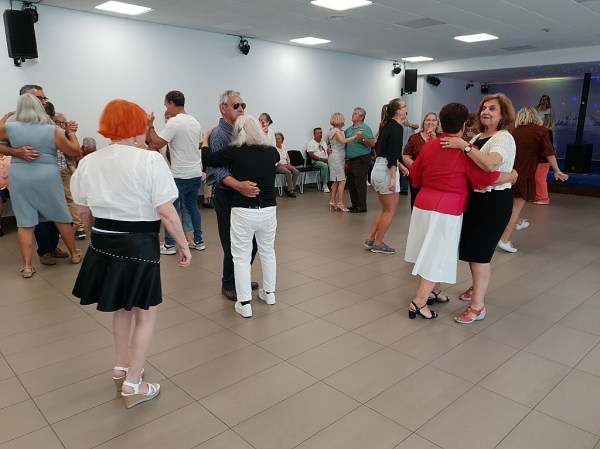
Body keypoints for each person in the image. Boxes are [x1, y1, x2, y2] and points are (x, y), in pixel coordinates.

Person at [71, 99, 191, 408]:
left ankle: (121, 367)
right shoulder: (150, 161)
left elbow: (83, 211)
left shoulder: (89, 162)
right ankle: (133, 384)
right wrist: (183, 244)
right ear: (137, 128)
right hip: (138, 243)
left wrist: (95, 235)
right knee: (145, 314)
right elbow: (166, 211)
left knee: (122, 308)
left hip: (102, 241)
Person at [405, 103, 502, 319]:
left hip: (423, 204)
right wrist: (511, 176)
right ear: (464, 125)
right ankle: (419, 302)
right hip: (447, 209)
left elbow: (416, 175)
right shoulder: (465, 150)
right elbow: (484, 179)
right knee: (437, 254)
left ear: (440, 122)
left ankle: (434, 290)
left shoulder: (429, 146)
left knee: (428, 250)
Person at [441, 93, 517, 324]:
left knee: (481, 254)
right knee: (473, 250)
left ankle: (478, 307)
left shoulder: (503, 138)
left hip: (493, 202)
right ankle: (476, 287)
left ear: (503, 115)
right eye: (484, 108)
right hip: (476, 200)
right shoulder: (479, 137)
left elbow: (491, 164)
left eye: (492, 109)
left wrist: (464, 146)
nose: (486, 112)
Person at [202, 116, 279, 318]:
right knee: (268, 252)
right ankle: (269, 294)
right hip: (268, 210)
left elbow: (208, 160)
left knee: (241, 257)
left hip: (244, 211)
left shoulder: (235, 151)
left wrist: (205, 140)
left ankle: (244, 303)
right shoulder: (272, 151)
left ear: (239, 133)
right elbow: (274, 156)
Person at [0, 93, 81, 278]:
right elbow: (74, 151)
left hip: (20, 174)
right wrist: (71, 132)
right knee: (60, 215)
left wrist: (14, 151)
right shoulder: (50, 129)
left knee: (25, 222)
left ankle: (27, 267)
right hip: (47, 175)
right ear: (39, 107)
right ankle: (74, 254)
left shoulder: (9, 128)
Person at [206, 90, 260, 302]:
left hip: (243, 195)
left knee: (250, 241)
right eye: (235, 105)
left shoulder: (242, 131)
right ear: (223, 108)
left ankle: (241, 277)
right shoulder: (219, 135)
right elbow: (217, 170)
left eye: (242, 105)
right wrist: (238, 185)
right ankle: (229, 284)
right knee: (232, 243)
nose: (241, 109)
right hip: (228, 194)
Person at [498, 107, 568, 252]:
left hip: (507, 173)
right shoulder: (540, 131)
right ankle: (504, 240)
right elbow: (549, 152)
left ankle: (517, 223)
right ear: (535, 116)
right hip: (524, 174)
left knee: (509, 204)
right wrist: (557, 170)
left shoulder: (512, 131)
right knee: (515, 208)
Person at [146, 90, 204, 254]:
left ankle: (169, 245)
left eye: (166, 105)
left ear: (171, 103)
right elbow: (200, 144)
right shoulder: (194, 122)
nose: (167, 109)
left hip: (179, 175)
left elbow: (156, 143)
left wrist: (150, 125)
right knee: (193, 208)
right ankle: (198, 241)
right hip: (195, 174)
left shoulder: (174, 122)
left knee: (171, 209)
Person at [365, 98, 409, 254]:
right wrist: (393, 178)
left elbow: (385, 151)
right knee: (390, 210)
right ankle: (378, 243)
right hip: (386, 171)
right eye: (405, 106)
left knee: (385, 209)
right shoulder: (397, 128)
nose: (407, 108)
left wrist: (400, 166)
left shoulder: (386, 126)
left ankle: (371, 238)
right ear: (398, 111)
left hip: (378, 168)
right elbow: (392, 155)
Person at [53, 112, 86, 239]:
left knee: (64, 199)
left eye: (63, 122)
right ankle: (77, 227)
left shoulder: (57, 132)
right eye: (58, 122)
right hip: (60, 169)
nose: (61, 124)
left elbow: (75, 151)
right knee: (68, 199)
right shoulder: (63, 133)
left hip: (58, 169)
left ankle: (75, 227)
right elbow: (74, 151)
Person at [402, 112, 441, 209]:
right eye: (428, 120)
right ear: (423, 123)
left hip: (436, 179)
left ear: (437, 124)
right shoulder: (414, 138)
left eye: (433, 120)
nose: (430, 122)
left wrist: (435, 140)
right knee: (416, 204)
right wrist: (417, 167)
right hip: (417, 178)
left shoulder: (442, 138)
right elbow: (406, 156)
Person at [328, 113, 361, 212]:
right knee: (342, 180)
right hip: (337, 158)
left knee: (336, 180)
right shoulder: (336, 131)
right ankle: (340, 203)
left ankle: (332, 201)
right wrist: (355, 137)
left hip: (337, 157)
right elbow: (343, 141)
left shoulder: (335, 130)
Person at [345, 107, 375, 213]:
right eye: (353, 113)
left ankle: (361, 206)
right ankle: (355, 204)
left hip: (362, 158)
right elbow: (344, 141)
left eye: (355, 114)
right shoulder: (349, 129)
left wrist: (362, 138)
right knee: (351, 183)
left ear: (361, 117)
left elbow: (372, 144)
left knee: (360, 183)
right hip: (351, 159)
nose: (352, 115)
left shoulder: (365, 128)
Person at [534, 94, 556, 205]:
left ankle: (543, 198)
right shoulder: (537, 109)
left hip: (544, 157)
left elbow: (548, 147)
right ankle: (539, 196)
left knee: (540, 178)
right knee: (537, 177)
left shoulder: (547, 131)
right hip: (540, 157)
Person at [274, 131, 300, 197]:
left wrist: (289, 163)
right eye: (276, 139)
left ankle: (290, 189)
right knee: (288, 172)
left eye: (279, 138)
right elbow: (275, 160)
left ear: (282, 139)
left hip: (286, 164)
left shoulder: (284, 146)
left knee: (296, 172)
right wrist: (284, 166)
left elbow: (287, 156)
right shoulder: (273, 148)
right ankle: (291, 191)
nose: (278, 140)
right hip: (278, 165)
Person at [306, 127, 330, 193]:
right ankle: (324, 185)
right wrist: (321, 159)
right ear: (314, 134)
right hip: (316, 161)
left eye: (321, 133)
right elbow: (311, 155)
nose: (320, 134)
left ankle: (333, 183)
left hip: (326, 160)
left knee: (334, 163)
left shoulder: (323, 142)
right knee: (324, 166)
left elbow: (326, 152)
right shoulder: (311, 143)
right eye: (318, 133)